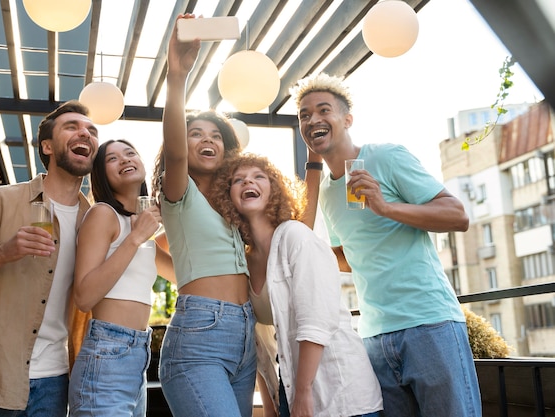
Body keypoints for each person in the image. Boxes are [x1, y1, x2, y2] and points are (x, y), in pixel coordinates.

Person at [289, 72, 482, 417]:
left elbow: (457, 215)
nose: (313, 119)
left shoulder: (387, 156)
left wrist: (386, 206)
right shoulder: (332, 190)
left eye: (323, 110)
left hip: (429, 324)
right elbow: (350, 255)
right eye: (304, 115)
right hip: (375, 336)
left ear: (347, 119)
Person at [0, 100, 99, 417]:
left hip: (53, 384)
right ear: (47, 146)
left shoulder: (93, 223)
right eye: (72, 127)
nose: (86, 133)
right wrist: (3, 253)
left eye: (92, 130)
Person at [210, 153, 383, 417]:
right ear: (228, 197)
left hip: (341, 393)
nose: (248, 183)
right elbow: (260, 342)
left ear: (274, 189)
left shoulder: (296, 236)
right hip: (292, 389)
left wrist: (303, 393)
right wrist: (272, 404)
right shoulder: (242, 262)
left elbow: (316, 320)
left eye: (258, 177)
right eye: (238, 180)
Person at [154, 13, 256, 417]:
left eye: (215, 135)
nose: (206, 139)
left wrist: (314, 167)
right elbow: (175, 151)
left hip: (246, 335)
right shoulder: (179, 191)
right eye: (196, 133)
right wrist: (176, 75)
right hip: (199, 335)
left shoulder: (237, 204)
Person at [68, 139, 175, 416]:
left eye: (130, 153)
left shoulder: (143, 233)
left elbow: (183, 275)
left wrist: (178, 219)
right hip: (107, 351)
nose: (125, 159)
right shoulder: (103, 214)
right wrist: (136, 238)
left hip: (137, 353)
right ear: (102, 175)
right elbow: (84, 296)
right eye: (112, 158)